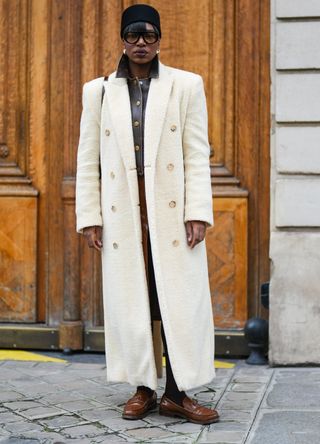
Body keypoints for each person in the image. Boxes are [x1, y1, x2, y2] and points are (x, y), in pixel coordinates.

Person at [76, 3, 219, 425]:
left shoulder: (186, 85)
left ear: (160, 39)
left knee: (176, 299)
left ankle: (178, 392)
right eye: (133, 35)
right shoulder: (98, 91)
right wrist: (90, 215)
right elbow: (88, 158)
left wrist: (198, 211)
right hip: (123, 213)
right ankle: (143, 388)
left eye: (150, 35)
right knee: (133, 300)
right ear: (122, 39)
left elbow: (197, 153)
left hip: (171, 212)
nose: (141, 43)